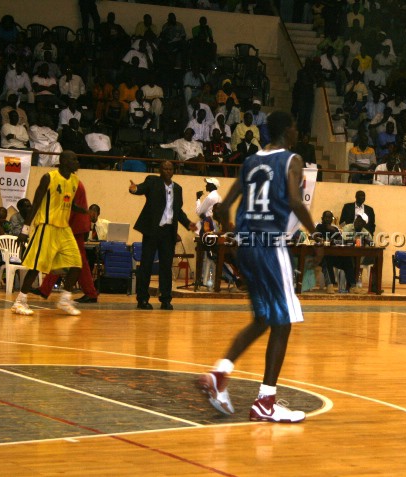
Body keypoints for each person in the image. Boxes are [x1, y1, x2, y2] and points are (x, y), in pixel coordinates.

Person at [198, 111, 322, 423]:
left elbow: (224, 207)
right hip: (270, 246)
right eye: (295, 127)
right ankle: (265, 401)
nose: (297, 132)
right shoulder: (292, 159)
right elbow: (295, 201)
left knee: (263, 319)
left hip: (246, 246)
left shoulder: (251, 161)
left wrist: (232, 233)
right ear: (287, 130)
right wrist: (316, 235)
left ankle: (220, 372)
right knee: (283, 322)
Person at [11, 151, 86, 316]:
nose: (77, 162)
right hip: (47, 226)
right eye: (74, 159)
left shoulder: (75, 181)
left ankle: (64, 300)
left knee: (76, 263)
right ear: (64, 161)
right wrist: (25, 229)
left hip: (64, 229)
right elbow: (36, 204)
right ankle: (19, 302)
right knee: (36, 267)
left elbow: (68, 202)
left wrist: (81, 210)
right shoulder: (49, 178)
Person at [128, 161, 196, 310]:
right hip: (152, 230)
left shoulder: (178, 188)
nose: (167, 171)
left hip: (168, 232)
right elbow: (141, 188)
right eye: (165, 168)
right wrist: (135, 189)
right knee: (146, 265)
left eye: (170, 169)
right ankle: (142, 299)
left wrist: (188, 223)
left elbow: (177, 211)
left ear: (173, 171)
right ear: (160, 170)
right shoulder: (152, 181)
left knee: (166, 267)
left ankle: (165, 299)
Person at [32, 180, 99, 304]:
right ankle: (45, 289)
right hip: (75, 225)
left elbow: (68, 207)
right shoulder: (73, 183)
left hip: (74, 226)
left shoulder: (70, 184)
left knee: (72, 259)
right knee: (75, 260)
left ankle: (45, 289)